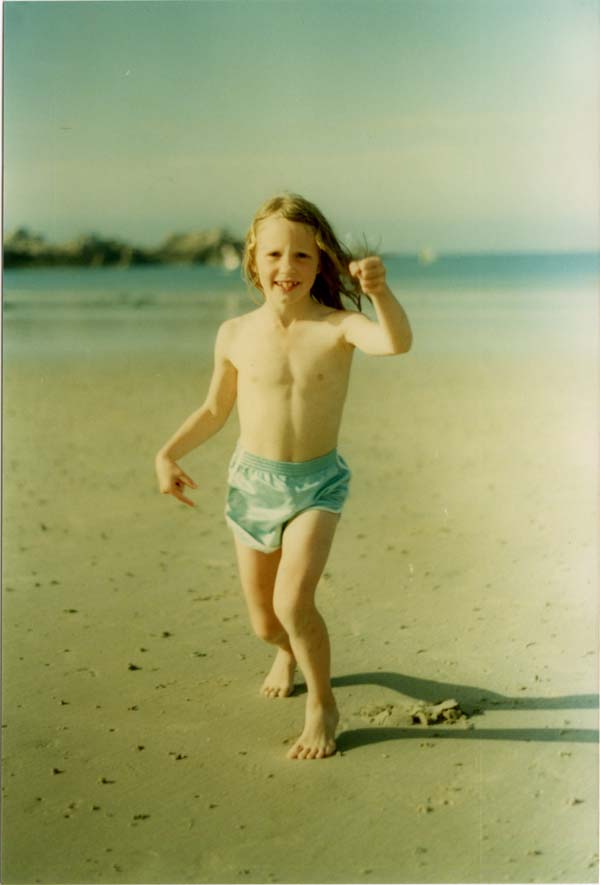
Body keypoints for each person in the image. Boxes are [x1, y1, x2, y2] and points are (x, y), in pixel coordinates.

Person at [155, 193, 412, 760]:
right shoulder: (234, 333)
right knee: (267, 625)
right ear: (253, 258)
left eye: (302, 255)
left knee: (294, 604)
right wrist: (168, 454)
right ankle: (287, 651)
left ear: (321, 264)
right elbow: (214, 410)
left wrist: (379, 292)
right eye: (274, 254)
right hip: (252, 486)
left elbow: (395, 343)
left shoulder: (339, 326)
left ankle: (322, 704)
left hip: (317, 485)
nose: (287, 267)